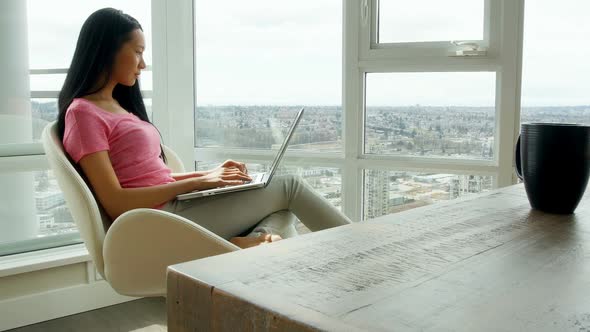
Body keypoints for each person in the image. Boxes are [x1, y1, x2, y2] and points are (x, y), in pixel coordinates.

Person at [57, 8, 351, 249]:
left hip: (174, 207)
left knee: (282, 211)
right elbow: (116, 201)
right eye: (137, 52)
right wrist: (198, 183)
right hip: (157, 222)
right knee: (289, 187)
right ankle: (360, 247)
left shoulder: (118, 107)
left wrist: (209, 175)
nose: (143, 64)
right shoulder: (83, 114)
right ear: (107, 51)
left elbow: (149, 179)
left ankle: (245, 247)